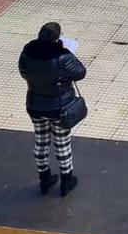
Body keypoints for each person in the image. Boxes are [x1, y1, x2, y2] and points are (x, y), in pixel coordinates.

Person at [18, 22, 87, 197]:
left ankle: (45, 179)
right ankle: (66, 181)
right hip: (59, 108)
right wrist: (67, 52)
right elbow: (80, 72)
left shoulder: (28, 51)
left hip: (35, 105)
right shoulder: (62, 55)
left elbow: (23, 71)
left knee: (41, 141)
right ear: (57, 37)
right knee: (62, 143)